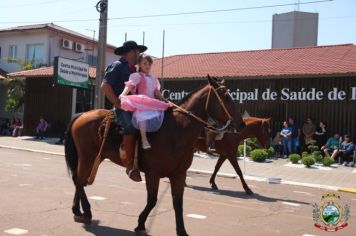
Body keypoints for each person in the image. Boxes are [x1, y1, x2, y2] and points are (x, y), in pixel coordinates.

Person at [101, 40, 147, 182]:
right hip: (122, 107)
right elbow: (105, 86)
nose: (139, 54)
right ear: (129, 53)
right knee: (131, 127)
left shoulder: (137, 69)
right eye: (137, 51)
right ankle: (129, 166)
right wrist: (117, 102)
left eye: (139, 51)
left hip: (137, 106)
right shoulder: (117, 66)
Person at [119, 54, 168, 149]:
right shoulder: (137, 76)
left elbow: (157, 92)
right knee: (142, 115)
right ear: (140, 64)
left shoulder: (154, 79)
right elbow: (130, 85)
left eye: (149, 64)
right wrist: (123, 94)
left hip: (152, 102)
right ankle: (144, 139)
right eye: (144, 63)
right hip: (142, 101)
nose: (147, 66)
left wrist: (163, 99)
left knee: (163, 113)